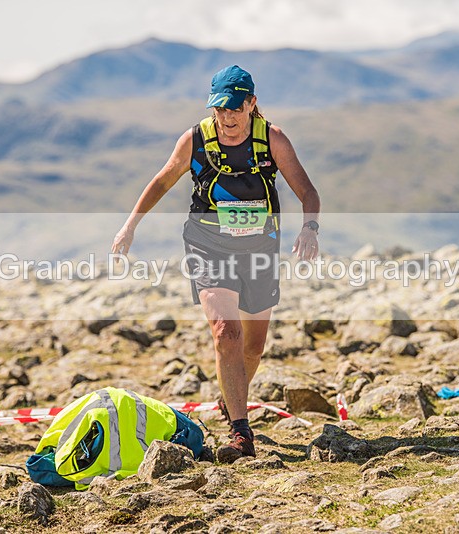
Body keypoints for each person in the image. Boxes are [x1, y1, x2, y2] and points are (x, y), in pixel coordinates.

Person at [112, 65, 320, 462]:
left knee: (253, 347)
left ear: (251, 104)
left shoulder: (272, 139)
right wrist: (130, 226)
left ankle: (230, 397)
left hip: (259, 247)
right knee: (227, 333)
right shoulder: (195, 139)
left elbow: (307, 191)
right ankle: (241, 432)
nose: (226, 118)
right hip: (208, 245)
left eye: (234, 109)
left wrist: (310, 228)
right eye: (219, 109)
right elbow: (162, 180)